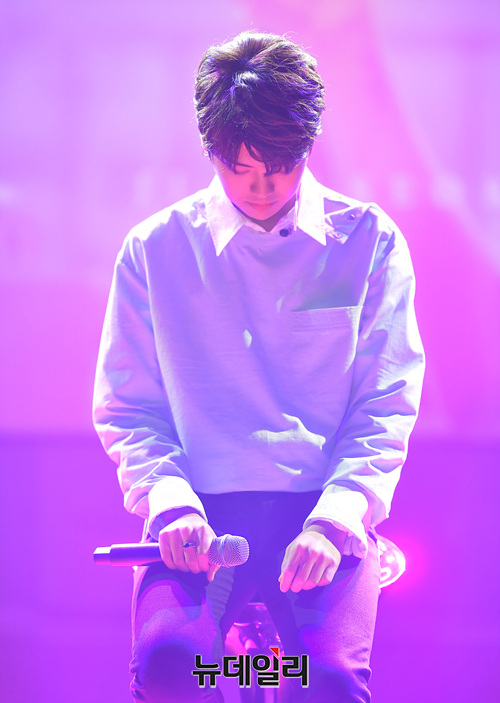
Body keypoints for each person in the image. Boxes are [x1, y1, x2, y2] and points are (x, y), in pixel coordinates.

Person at [93, 30, 425, 703]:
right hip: (197, 507)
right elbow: (129, 406)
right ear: (211, 150)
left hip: (322, 504)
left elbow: (385, 401)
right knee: (171, 669)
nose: (263, 186)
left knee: (327, 681)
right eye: (241, 168)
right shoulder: (155, 249)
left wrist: (335, 520)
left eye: (282, 165)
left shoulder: (367, 240)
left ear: (308, 146)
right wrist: (170, 503)